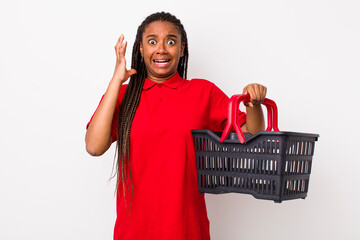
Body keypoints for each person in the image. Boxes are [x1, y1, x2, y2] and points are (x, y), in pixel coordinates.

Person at [86, 12, 267, 240]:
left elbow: (254, 135)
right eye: (152, 42)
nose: (161, 48)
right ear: (141, 49)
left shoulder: (202, 93)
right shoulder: (124, 96)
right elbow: (94, 147)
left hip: (187, 231)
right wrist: (115, 81)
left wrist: (254, 105)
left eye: (171, 41)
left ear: (182, 49)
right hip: (134, 232)